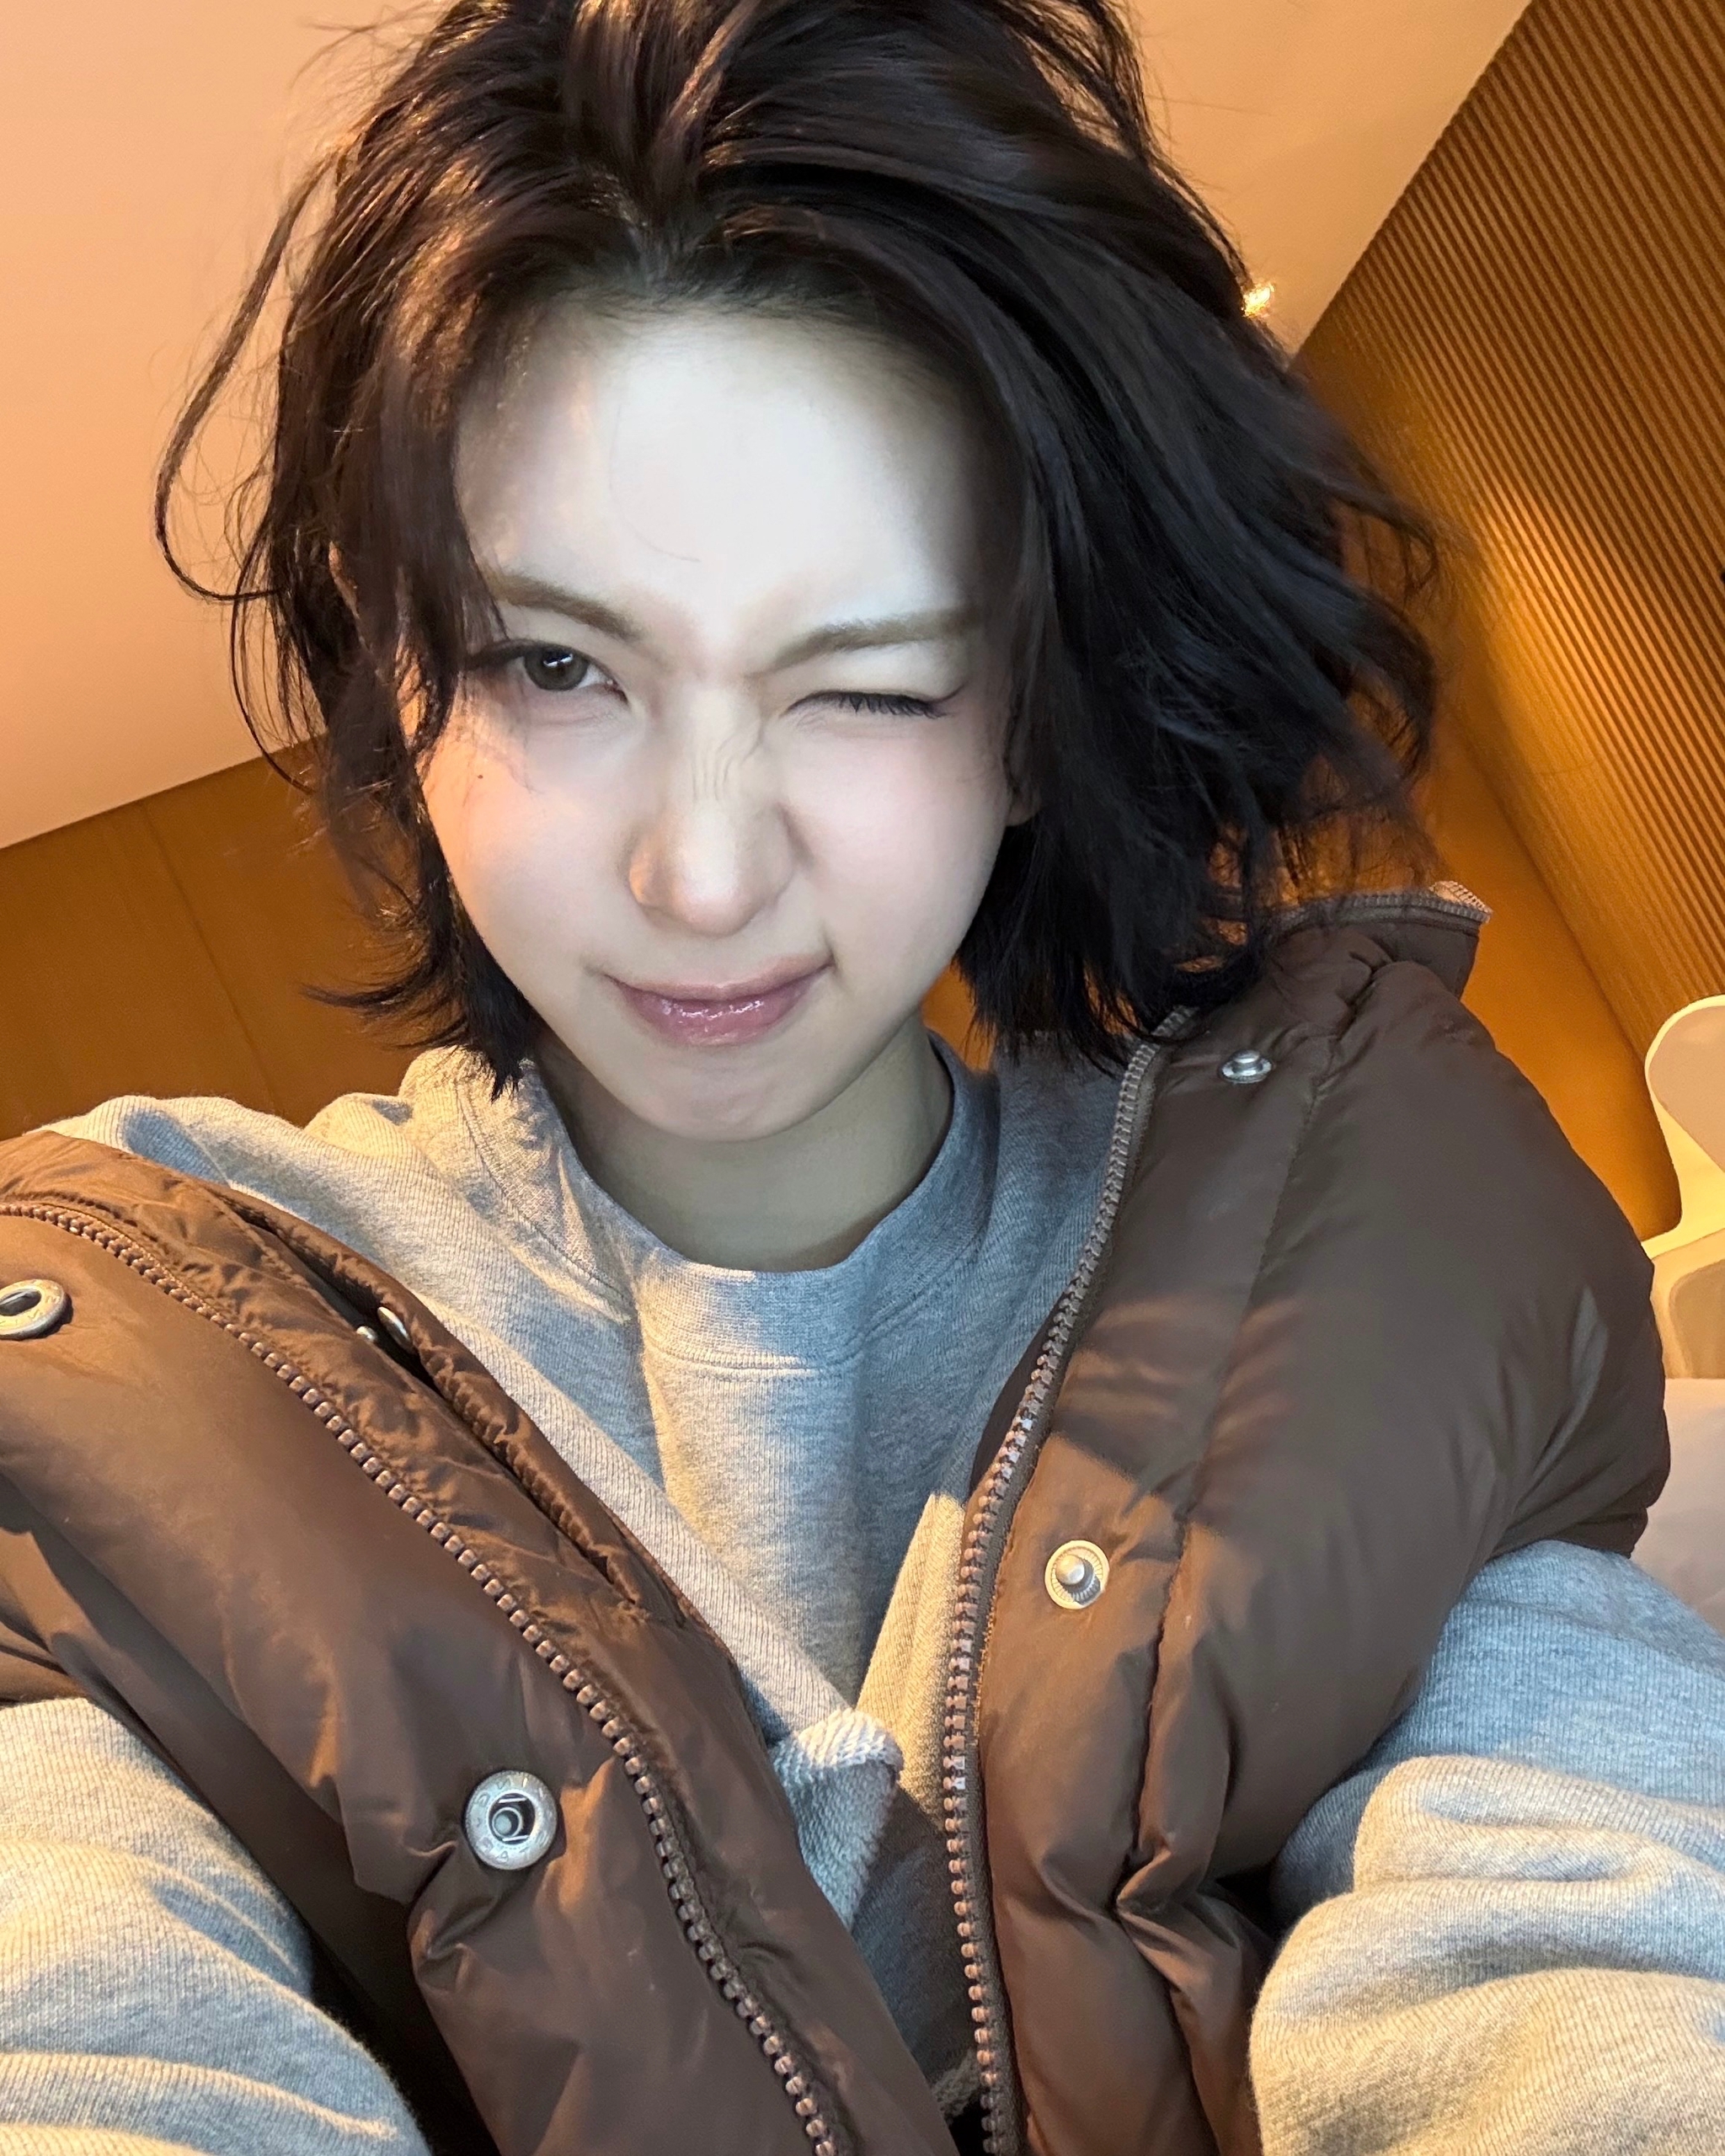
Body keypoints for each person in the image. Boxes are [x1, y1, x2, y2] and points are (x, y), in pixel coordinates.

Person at [0, 0, 1720, 2150]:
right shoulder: (113, 1359)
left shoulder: (1365, 1245)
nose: (702, 872)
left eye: (873, 687)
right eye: (555, 664)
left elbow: (1566, 1948)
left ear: (1035, 717)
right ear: (400, 663)